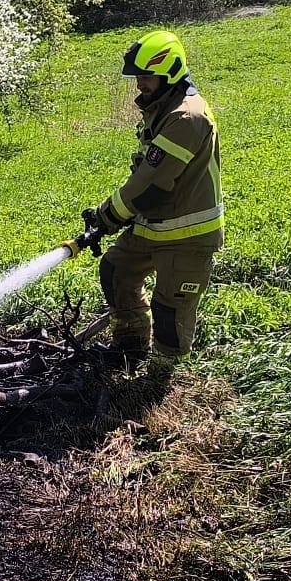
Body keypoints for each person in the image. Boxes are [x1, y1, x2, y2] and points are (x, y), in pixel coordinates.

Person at [84, 29, 224, 361]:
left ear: (170, 72)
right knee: (116, 271)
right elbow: (147, 176)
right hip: (156, 224)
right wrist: (113, 217)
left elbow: (150, 182)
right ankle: (131, 346)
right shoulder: (164, 107)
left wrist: (107, 215)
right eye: (137, 77)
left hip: (187, 234)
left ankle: (161, 375)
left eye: (146, 76)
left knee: (169, 311)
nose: (139, 85)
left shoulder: (186, 117)